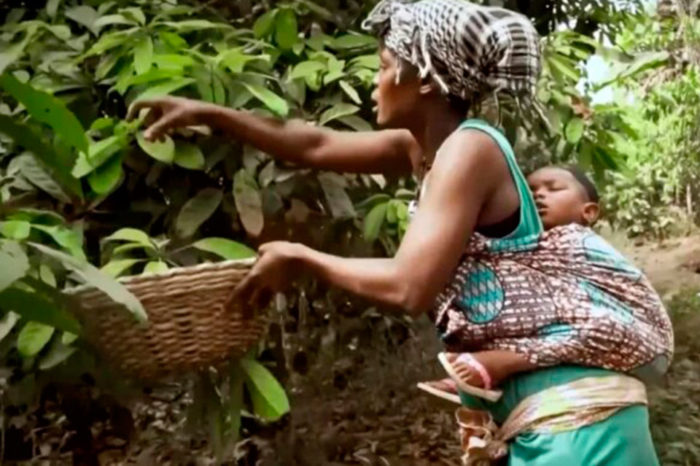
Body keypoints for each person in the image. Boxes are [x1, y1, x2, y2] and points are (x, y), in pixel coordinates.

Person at [129, 1, 665, 464]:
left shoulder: (470, 149)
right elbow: (312, 145)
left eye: (384, 66)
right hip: (542, 420)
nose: (375, 80)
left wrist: (303, 259)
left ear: (425, 78)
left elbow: (409, 286)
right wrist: (208, 112)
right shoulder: (424, 150)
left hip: (577, 421)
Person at [417, 166, 672, 404]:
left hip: (640, 339)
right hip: (562, 338)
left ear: (589, 212)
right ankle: (485, 377)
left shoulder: (579, 241)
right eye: (530, 191)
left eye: (553, 188)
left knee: (600, 323)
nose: (538, 195)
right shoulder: (526, 248)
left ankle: (502, 362)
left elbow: (490, 252)